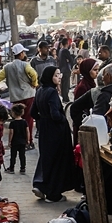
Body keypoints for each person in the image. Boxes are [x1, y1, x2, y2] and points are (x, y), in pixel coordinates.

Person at [31, 66, 77, 203]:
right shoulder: (51, 92)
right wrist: (63, 119)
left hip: (44, 130)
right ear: (50, 77)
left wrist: (42, 119)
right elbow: (55, 115)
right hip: (56, 131)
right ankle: (53, 193)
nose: (60, 77)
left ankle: (41, 185)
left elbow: (33, 113)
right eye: (57, 75)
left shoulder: (40, 91)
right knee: (58, 160)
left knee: (47, 158)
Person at [0, 43, 39, 150]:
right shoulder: (25, 65)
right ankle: (29, 141)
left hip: (15, 98)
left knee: (18, 120)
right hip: (28, 96)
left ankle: (20, 142)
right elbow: (34, 74)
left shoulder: (7, 67)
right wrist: (34, 83)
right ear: (21, 54)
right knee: (28, 120)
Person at [6, 103, 28, 175]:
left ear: (14, 113)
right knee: (22, 155)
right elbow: (27, 131)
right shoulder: (24, 122)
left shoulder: (13, 123)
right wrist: (27, 140)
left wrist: (9, 141)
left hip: (15, 142)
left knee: (13, 156)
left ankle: (11, 168)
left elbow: (11, 133)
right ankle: (22, 168)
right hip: (22, 142)